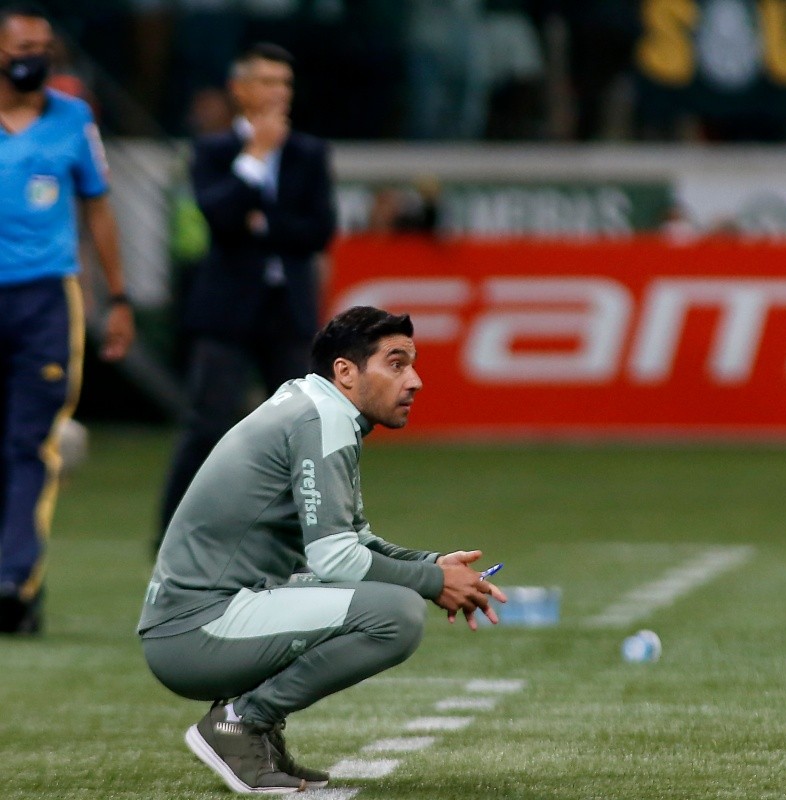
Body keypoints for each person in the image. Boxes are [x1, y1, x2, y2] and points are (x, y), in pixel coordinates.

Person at [139, 305, 506, 794]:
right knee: (395, 615)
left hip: (197, 619)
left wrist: (429, 564)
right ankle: (242, 723)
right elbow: (335, 560)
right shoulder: (321, 418)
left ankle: (254, 729)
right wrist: (433, 584)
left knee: (378, 597)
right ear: (345, 371)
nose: (414, 380)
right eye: (397, 364)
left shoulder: (315, 407)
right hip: (193, 631)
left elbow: (352, 540)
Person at [157, 41, 336, 550]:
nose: (279, 92)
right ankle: (174, 534)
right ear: (239, 89)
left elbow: (317, 231)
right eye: (267, 82)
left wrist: (259, 223)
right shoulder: (213, 150)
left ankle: (303, 539)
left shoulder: (308, 152)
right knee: (207, 425)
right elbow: (219, 216)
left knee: (302, 431)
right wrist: (255, 158)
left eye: (285, 83)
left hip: (289, 309)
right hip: (227, 309)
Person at [0, 2, 135, 635]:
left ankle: (14, 581)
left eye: (44, 47)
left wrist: (120, 298)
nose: (35, 58)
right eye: (23, 46)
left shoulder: (74, 118)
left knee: (31, 444)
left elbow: (99, 211)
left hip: (47, 300)